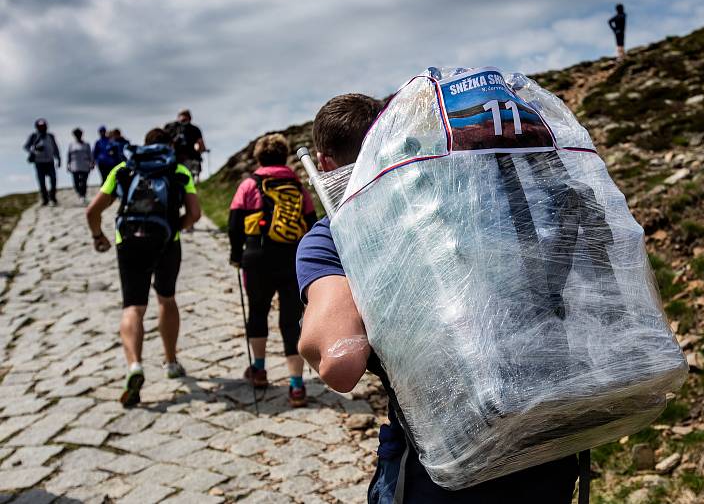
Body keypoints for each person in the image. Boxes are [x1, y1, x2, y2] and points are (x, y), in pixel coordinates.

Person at [296, 94, 579, 503]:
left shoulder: (331, 235)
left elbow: (340, 365)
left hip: (449, 462)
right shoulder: (461, 196)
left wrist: (311, 333)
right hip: (549, 437)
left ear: (324, 165)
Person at [86, 127, 201, 408]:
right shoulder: (179, 171)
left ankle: (135, 365)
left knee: (133, 307)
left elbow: (92, 211)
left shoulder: (124, 169)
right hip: (166, 243)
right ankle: (171, 361)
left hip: (128, 242)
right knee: (166, 299)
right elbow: (195, 213)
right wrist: (175, 228)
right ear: (168, 146)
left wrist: (98, 236)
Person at [228, 133, 317, 406]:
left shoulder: (249, 184)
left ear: (258, 158)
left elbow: (234, 223)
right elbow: (311, 221)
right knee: (291, 320)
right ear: (284, 154)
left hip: (257, 257)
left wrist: (236, 255)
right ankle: (297, 385)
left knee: (258, 311)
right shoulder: (297, 185)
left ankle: (259, 369)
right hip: (291, 259)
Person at [23, 118, 61, 207]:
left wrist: (58, 158)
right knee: (42, 182)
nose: (42, 128)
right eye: (40, 127)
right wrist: (34, 150)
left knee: (53, 179)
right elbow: (26, 147)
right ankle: (45, 199)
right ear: (37, 127)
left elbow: (55, 148)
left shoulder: (50, 136)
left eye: (43, 126)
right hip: (39, 162)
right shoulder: (34, 136)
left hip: (50, 161)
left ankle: (53, 197)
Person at [164, 109, 206, 183]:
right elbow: (201, 145)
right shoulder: (194, 129)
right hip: (184, 158)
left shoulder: (170, 126)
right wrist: (199, 152)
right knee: (188, 179)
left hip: (172, 158)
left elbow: (200, 144)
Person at [67, 128, 93, 204]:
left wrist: (92, 163)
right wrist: (68, 165)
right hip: (74, 166)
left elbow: (90, 154)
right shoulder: (71, 145)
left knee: (84, 182)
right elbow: (69, 155)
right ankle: (79, 193)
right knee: (76, 182)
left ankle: (83, 195)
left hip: (85, 166)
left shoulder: (86, 144)